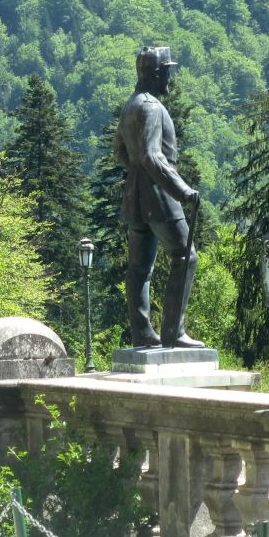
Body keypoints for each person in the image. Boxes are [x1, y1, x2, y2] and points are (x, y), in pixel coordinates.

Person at [115, 46, 203, 349]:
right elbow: (153, 156)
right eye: (167, 70)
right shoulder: (151, 107)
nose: (170, 77)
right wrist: (182, 190)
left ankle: (142, 332)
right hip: (158, 196)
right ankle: (173, 333)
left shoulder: (131, 105)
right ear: (155, 73)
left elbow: (121, 153)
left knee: (140, 268)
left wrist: (135, 176)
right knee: (185, 256)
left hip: (135, 197)